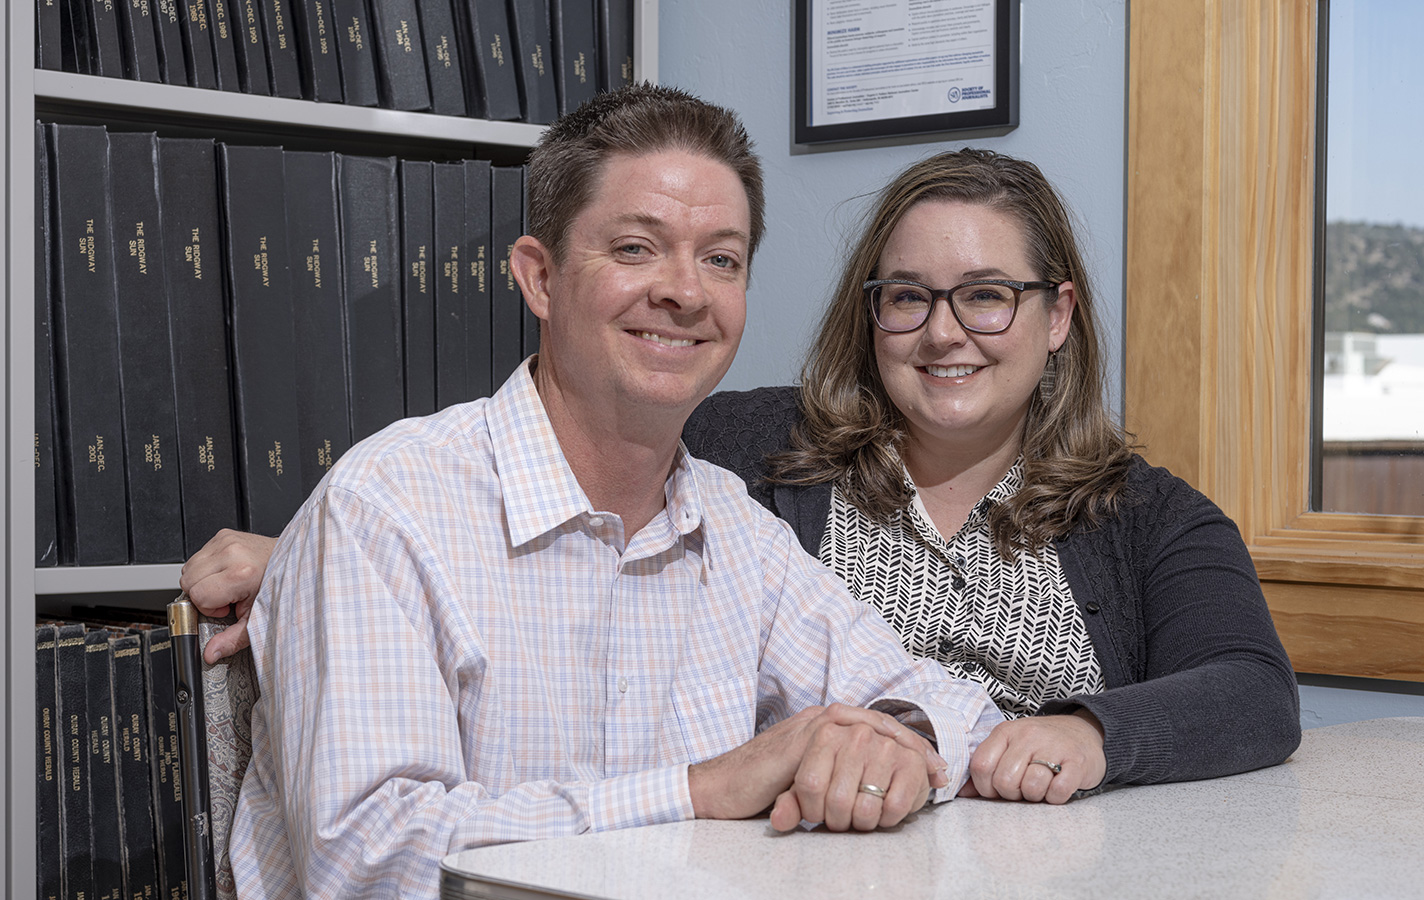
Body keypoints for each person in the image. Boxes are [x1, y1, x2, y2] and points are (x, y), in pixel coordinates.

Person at [187, 147, 1302, 811]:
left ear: (1055, 316)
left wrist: (1089, 735)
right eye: (905, 295)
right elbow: (568, 500)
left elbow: (1250, 690)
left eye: (987, 295)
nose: (943, 331)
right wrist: (314, 553)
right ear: (869, 318)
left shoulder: (1144, 512)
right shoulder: (749, 451)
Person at [223, 85, 1003, 900]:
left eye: (721, 259)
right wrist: (697, 793)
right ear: (540, 278)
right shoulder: (384, 509)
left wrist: (891, 741)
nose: (686, 292)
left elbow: (951, 713)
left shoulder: (736, 531)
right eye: (636, 248)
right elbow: (367, 859)